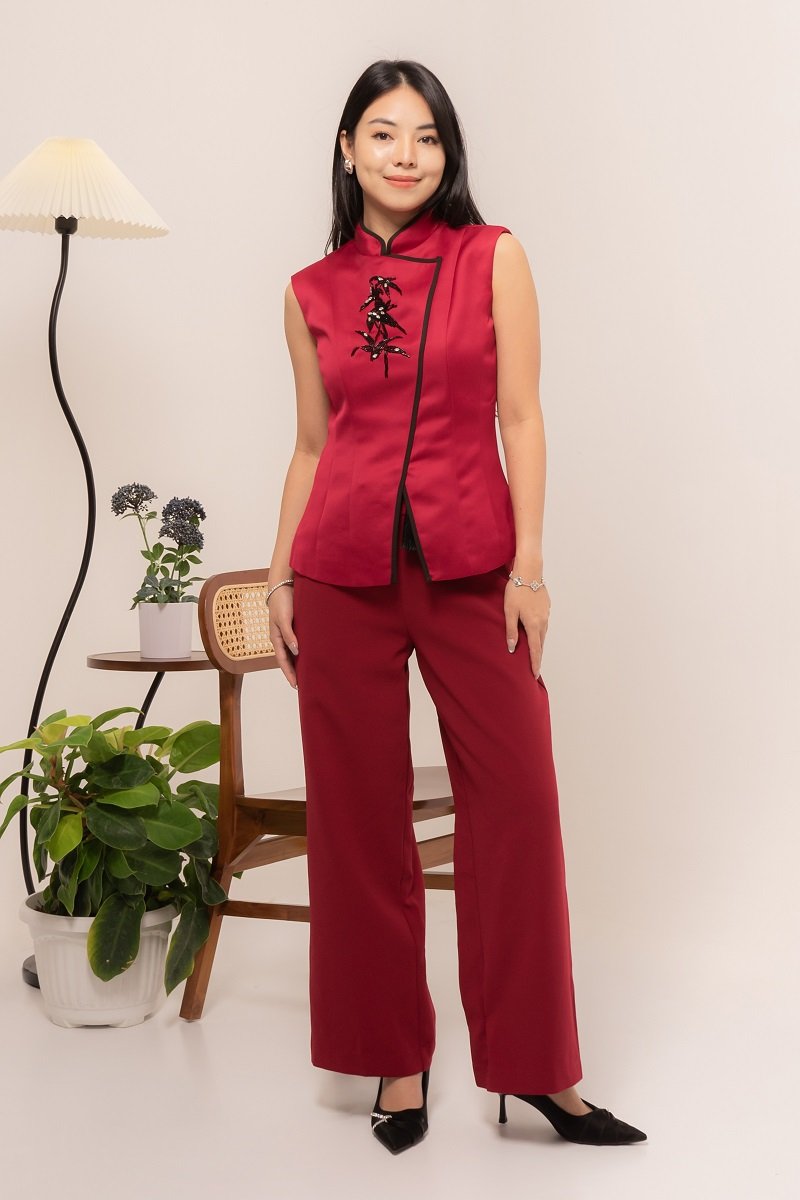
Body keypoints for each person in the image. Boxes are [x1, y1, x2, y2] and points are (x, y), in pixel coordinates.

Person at [266, 59, 647, 1155]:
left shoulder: (493, 256)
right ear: (347, 151)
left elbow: (521, 416)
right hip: (339, 576)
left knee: (518, 803)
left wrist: (530, 568)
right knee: (357, 824)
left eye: (426, 136)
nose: (406, 154)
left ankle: (540, 1073)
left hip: (474, 569)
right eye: (383, 133)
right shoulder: (308, 290)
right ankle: (396, 1059)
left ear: (448, 153)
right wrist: (280, 575)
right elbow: (310, 445)